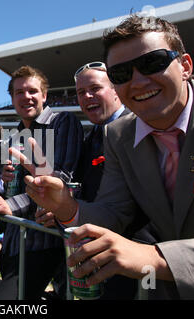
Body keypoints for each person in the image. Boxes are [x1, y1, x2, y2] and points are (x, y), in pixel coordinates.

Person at [17, 15, 194, 299]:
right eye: (122, 74)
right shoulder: (117, 134)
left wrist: (154, 258)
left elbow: (147, 253)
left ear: (185, 66)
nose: (137, 81)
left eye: (152, 62)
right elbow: (114, 211)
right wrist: (66, 206)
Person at [0, 65, 83, 299]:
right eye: (19, 92)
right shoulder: (13, 137)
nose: (26, 96)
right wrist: (5, 185)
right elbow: (9, 188)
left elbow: (62, 181)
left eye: (33, 91)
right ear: (12, 98)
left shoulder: (62, 122)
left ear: (44, 96)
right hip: (13, 242)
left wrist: (10, 204)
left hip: (45, 242)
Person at [73, 61, 152, 299]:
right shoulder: (91, 137)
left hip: (138, 259)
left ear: (116, 90)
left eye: (95, 88)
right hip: (99, 257)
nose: (87, 96)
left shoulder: (141, 128)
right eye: (80, 92)